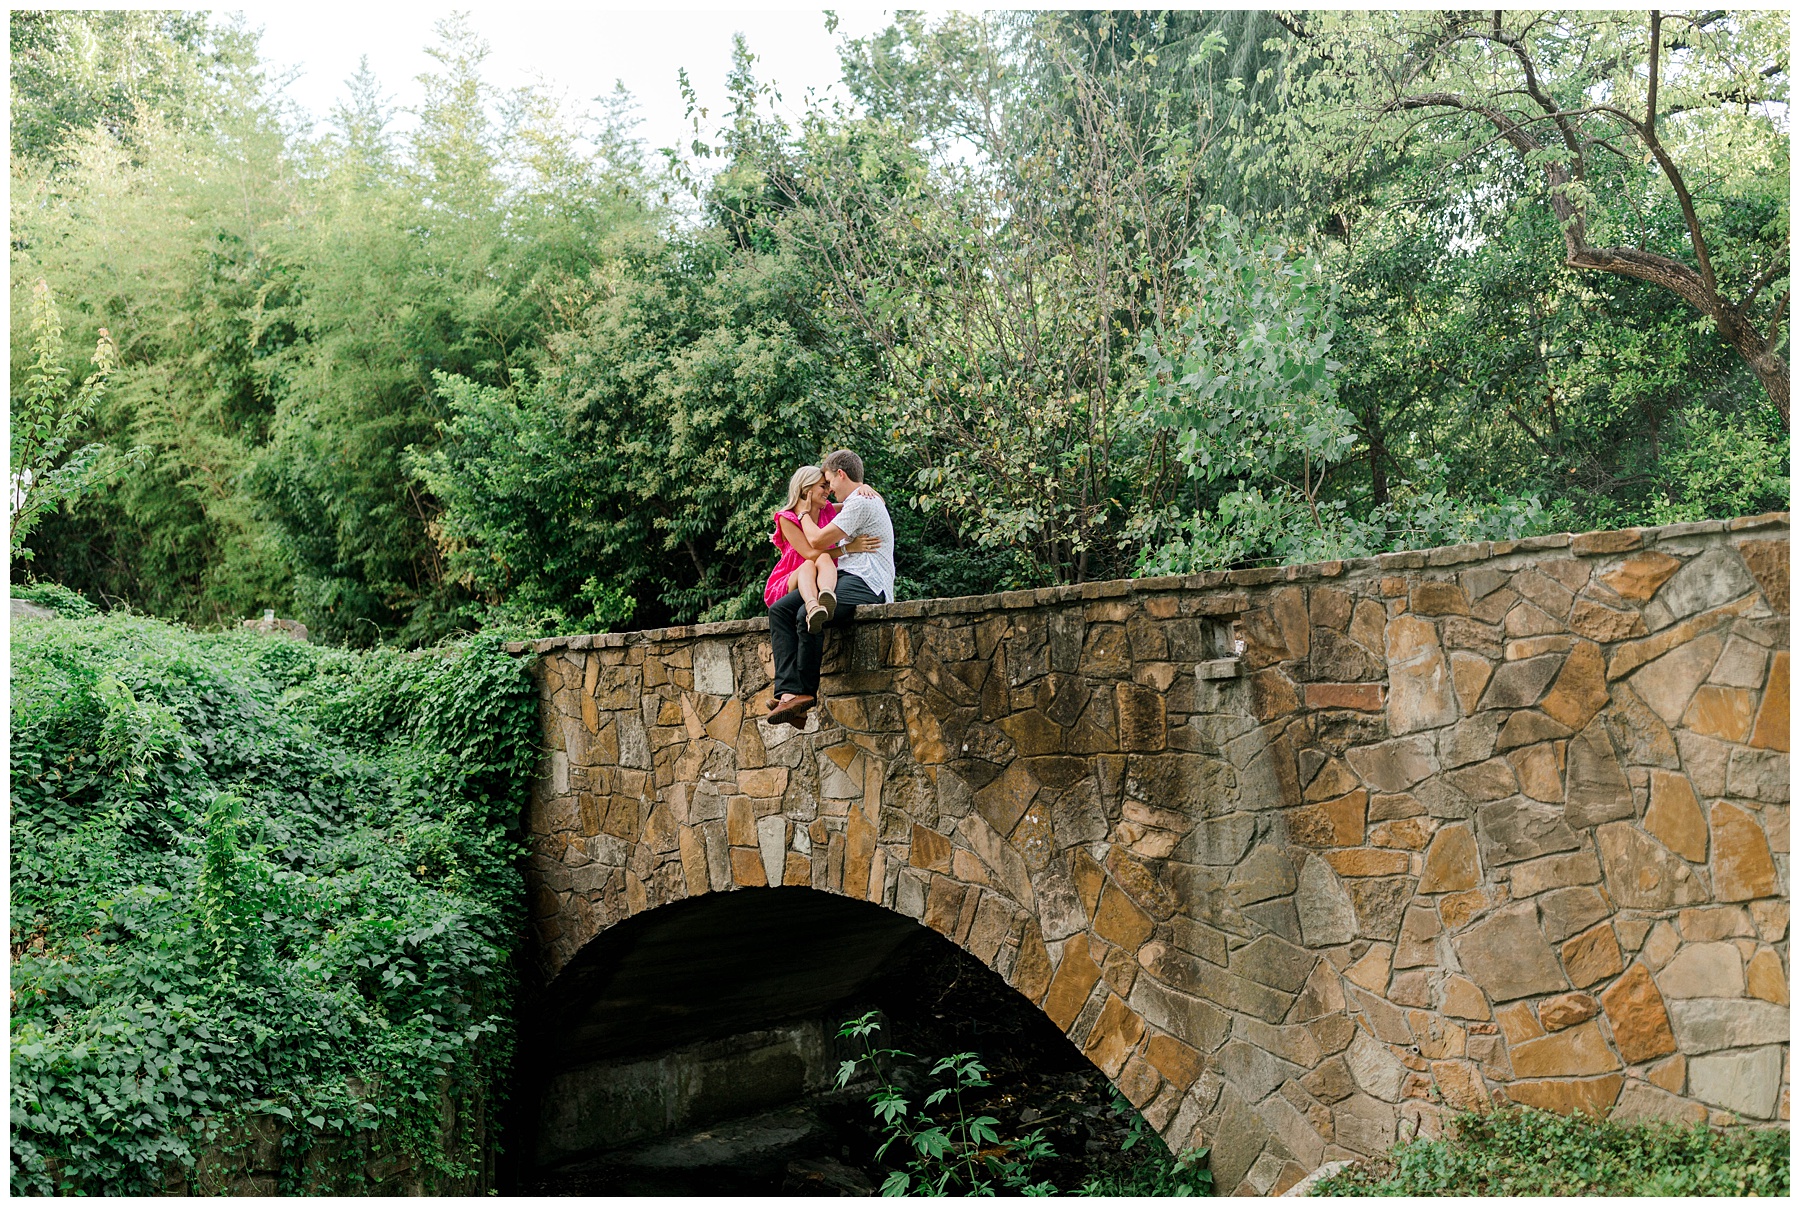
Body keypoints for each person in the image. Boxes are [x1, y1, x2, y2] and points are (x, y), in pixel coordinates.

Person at [767, 449, 896, 726]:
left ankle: (804, 696)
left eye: (829, 481)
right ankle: (788, 693)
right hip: (842, 576)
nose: (829, 489)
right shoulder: (854, 502)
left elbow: (817, 541)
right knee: (780, 610)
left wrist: (803, 515)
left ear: (840, 475)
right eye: (822, 484)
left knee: (806, 614)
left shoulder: (860, 503)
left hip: (867, 582)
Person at [763, 465, 881, 633]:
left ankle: (826, 596)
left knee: (825, 559)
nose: (828, 490)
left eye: (828, 485)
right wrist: (848, 548)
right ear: (805, 490)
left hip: (822, 576)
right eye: (822, 486)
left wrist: (862, 487)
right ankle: (812, 605)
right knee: (810, 564)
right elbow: (809, 554)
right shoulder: (787, 518)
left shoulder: (827, 510)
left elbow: (865, 502)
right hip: (794, 575)